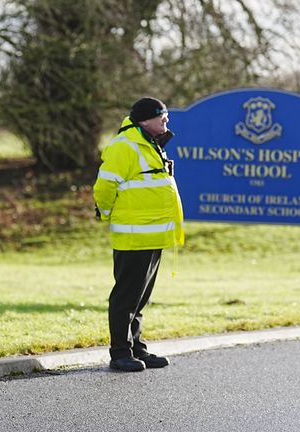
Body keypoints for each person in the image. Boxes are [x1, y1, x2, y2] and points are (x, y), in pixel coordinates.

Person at [92, 97, 184, 372]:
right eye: (162, 118)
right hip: (133, 235)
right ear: (145, 119)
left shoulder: (150, 144)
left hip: (152, 235)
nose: (166, 122)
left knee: (140, 297)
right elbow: (104, 187)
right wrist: (106, 213)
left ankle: (136, 347)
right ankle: (120, 352)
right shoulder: (125, 146)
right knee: (126, 296)